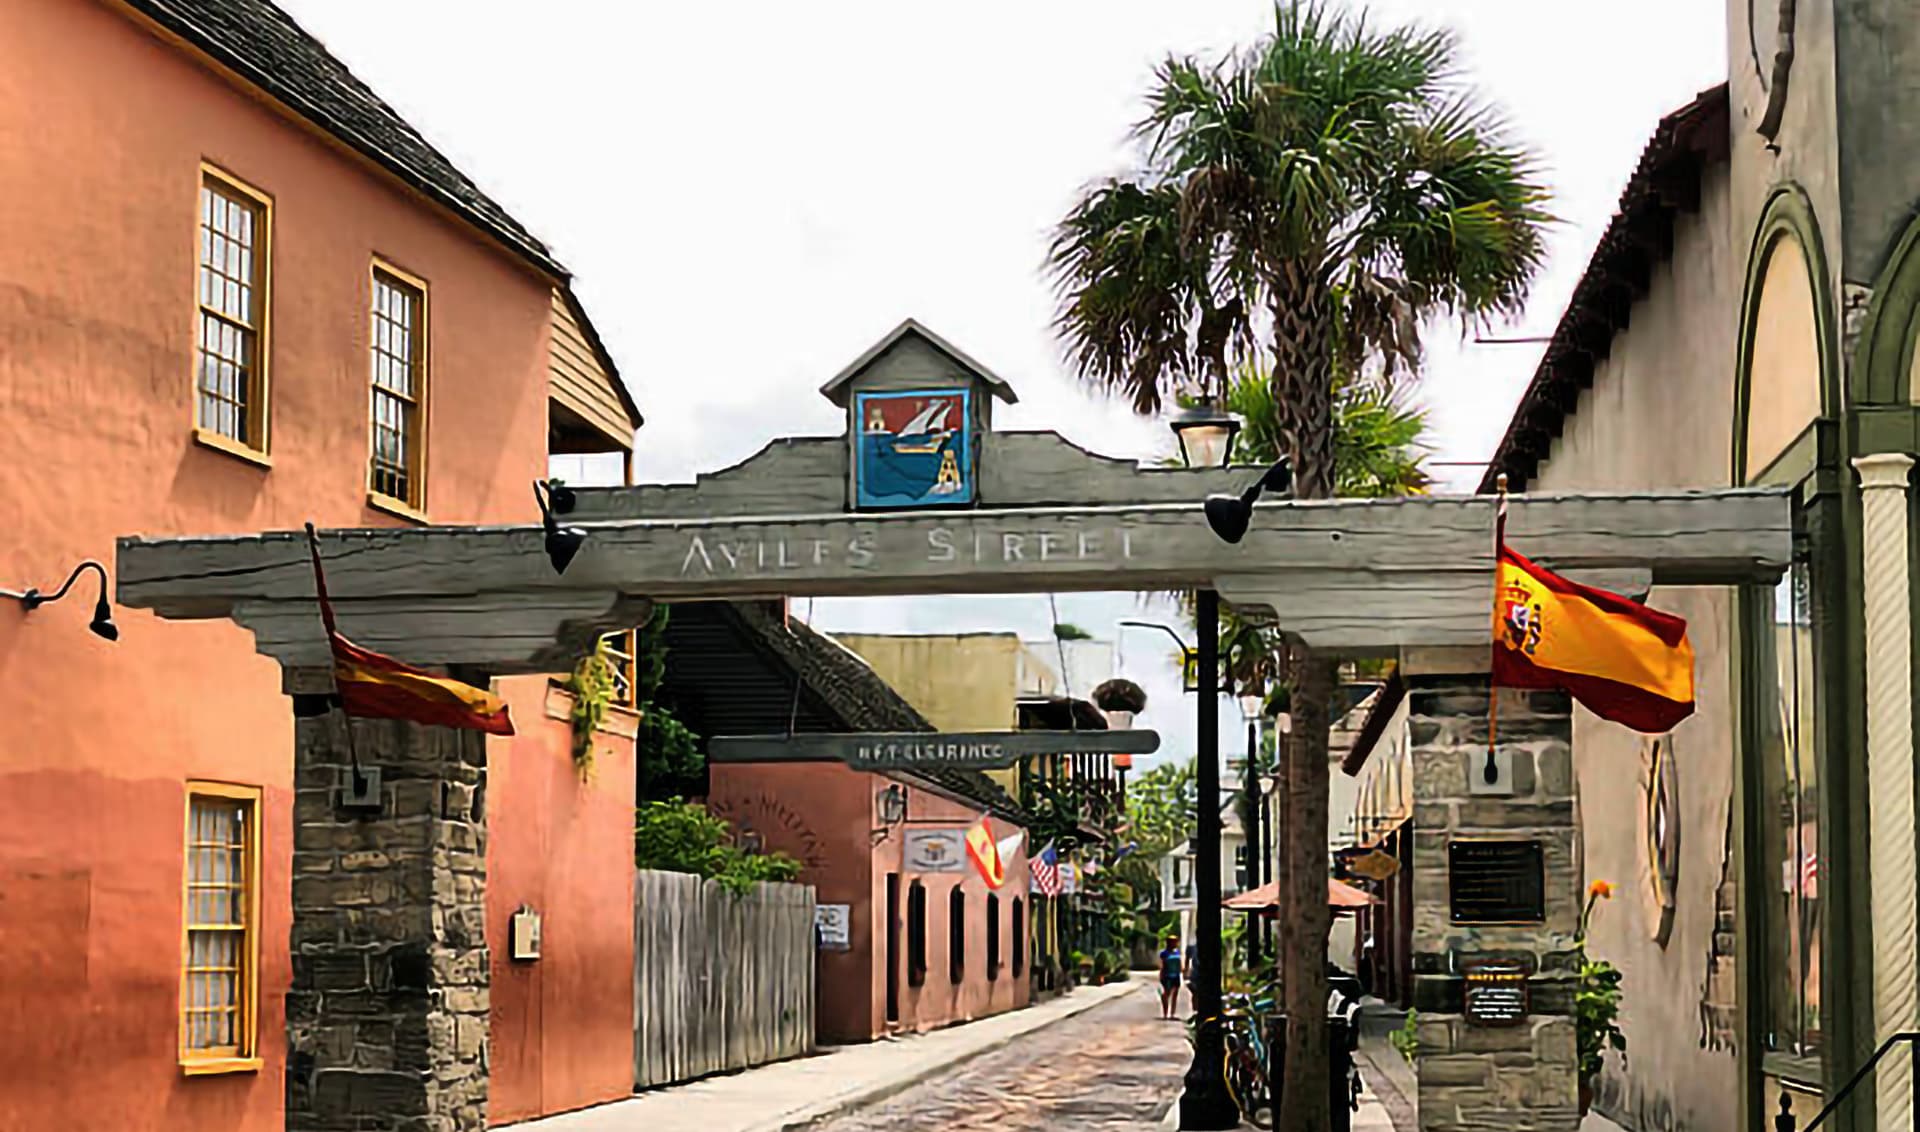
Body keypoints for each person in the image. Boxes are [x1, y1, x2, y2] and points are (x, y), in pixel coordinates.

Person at [1156, 935, 1183, 1020]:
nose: (1175, 943)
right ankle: (1165, 1013)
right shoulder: (1164, 953)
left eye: (1176, 941)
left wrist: (1182, 970)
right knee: (1167, 994)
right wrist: (1161, 974)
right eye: (1173, 941)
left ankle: (1172, 1014)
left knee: (1175, 995)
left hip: (1176, 976)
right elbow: (1161, 964)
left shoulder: (1177, 952)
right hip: (1167, 976)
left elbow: (1179, 963)